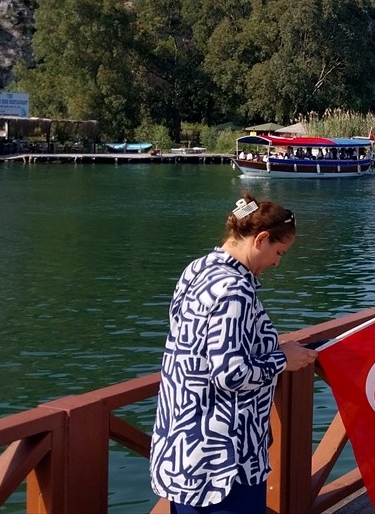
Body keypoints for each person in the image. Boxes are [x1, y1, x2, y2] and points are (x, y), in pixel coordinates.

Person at [150, 193, 318, 513]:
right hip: (224, 462)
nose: (277, 263)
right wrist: (283, 359)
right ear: (261, 239)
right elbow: (230, 373)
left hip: (183, 447)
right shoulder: (235, 289)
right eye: (278, 252)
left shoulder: (197, 270)